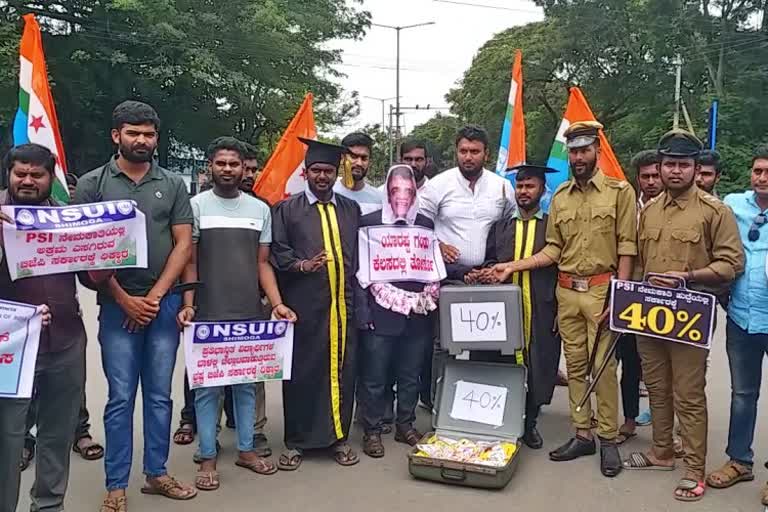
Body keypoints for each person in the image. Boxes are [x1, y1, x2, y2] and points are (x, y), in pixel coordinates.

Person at [493, 121, 637, 478]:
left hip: (603, 290)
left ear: (596, 152)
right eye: (573, 151)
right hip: (567, 292)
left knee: (602, 367)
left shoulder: (620, 192)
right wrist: (512, 265)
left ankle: (608, 439)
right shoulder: (560, 197)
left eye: (584, 150)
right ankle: (582, 432)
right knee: (574, 367)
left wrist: (619, 297)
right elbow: (554, 249)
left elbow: (627, 247)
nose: (578, 157)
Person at [74, 100, 197, 511]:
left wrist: (157, 297)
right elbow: (86, 251)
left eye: (148, 134)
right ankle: (115, 486)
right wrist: (125, 301)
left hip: (162, 305)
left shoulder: (173, 184)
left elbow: (183, 243)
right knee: (121, 397)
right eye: (133, 133)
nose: (141, 140)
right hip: (116, 306)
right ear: (116, 136)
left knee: (160, 396)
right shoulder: (92, 184)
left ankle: (157, 474)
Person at [622, 130, 744, 502]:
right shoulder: (650, 210)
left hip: (690, 313)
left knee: (688, 394)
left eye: (684, 165)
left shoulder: (714, 211)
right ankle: (662, 452)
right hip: (648, 313)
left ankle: (694, 468)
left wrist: (689, 277)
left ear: (695, 169)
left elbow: (731, 263)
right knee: (656, 386)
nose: (675, 171)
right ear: (659, 167)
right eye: (669, 164)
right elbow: (640, 261)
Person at [176, 137, 296, 491]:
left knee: (246, 386)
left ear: (245, 168)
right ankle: (208, 454)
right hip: (208, 313)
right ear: (209, 166)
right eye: (221, 163)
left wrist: (276, 304)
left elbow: (262, 264)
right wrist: (188, 306)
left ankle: (246, 449)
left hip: (249, 313)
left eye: (234, 163)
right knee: (207, 389)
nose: (228, 169)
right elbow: (190, 262)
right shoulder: (194, 206)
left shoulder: (259, 210)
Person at [0, 143, 102, 512]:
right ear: (9, 174)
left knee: (57, 435)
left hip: (64, 342)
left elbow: (91, 280)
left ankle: (48, 505)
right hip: (8, 350)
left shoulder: (68, 220)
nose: (27, 181)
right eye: (20, 173)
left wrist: (105, 259)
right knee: (8, 439)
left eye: (36, 174)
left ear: (50, 178)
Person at [271, 138, 361, 470]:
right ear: (306, 172)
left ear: (337, 174)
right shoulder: (287, 209)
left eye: (328, 171)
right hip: (305, 306)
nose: (322, 177)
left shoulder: (350, 209)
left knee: (342, 371)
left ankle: (338, 438)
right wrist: (303, 265)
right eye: (316, 170)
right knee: (302, 372)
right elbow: (277, 252)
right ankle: (296, 441)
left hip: (344, 306)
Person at [473, 164, 561, 450]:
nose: (523, 192)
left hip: (540, 305)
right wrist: (487, 272)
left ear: (541, 190)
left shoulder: (550, 226)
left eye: (530, 186)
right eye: (520, 186)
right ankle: (503, 419)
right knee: (503, 364)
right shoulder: (501, 227)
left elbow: (560, 268)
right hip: (503, 311)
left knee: (538, 364)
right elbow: (488, 260)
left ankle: (529, 423)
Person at [357, 165, 438, 458]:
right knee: (375, 376)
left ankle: (406, 424)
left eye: (408, 191)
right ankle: (373, 430)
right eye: (395, 190)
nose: (401, 197)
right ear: (387, 191)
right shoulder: (368, 222)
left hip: (417, 312)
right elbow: (360, 272)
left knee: (410, 374)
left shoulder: (426, 224)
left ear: (416, 192)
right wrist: (363, 313)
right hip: (380, 313)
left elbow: (431, 265)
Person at [707, 146, 768, 506]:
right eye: (758, 170)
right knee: (743, 394)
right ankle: (739, 460)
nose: (762, 177)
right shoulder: (733, 204)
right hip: (742, 317)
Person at [419, 124, 515, 281]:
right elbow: (420, 225)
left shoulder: (502, 186)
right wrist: (438, 245)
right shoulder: (437, 185)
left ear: (486, 154)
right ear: (456, 152)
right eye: (463, 151)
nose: (468, 157)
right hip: (448, 275)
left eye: (475, 152)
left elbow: (511, 227)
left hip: (491, 275)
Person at [615, 150, 664, 442]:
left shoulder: (675, 210)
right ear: (638, 179)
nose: (651, 182)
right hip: (631, 295)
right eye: (645, 176)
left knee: (663, 366)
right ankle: (630, 420)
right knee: (629, 361)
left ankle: (665, 427)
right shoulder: (628, 209)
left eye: (655, 175)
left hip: (666, 298)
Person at [333, 132, 383, 215]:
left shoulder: (379, 199)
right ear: (342, 158)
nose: (359, 163)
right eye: (353, 157)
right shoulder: (330, 194)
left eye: (364, 158)